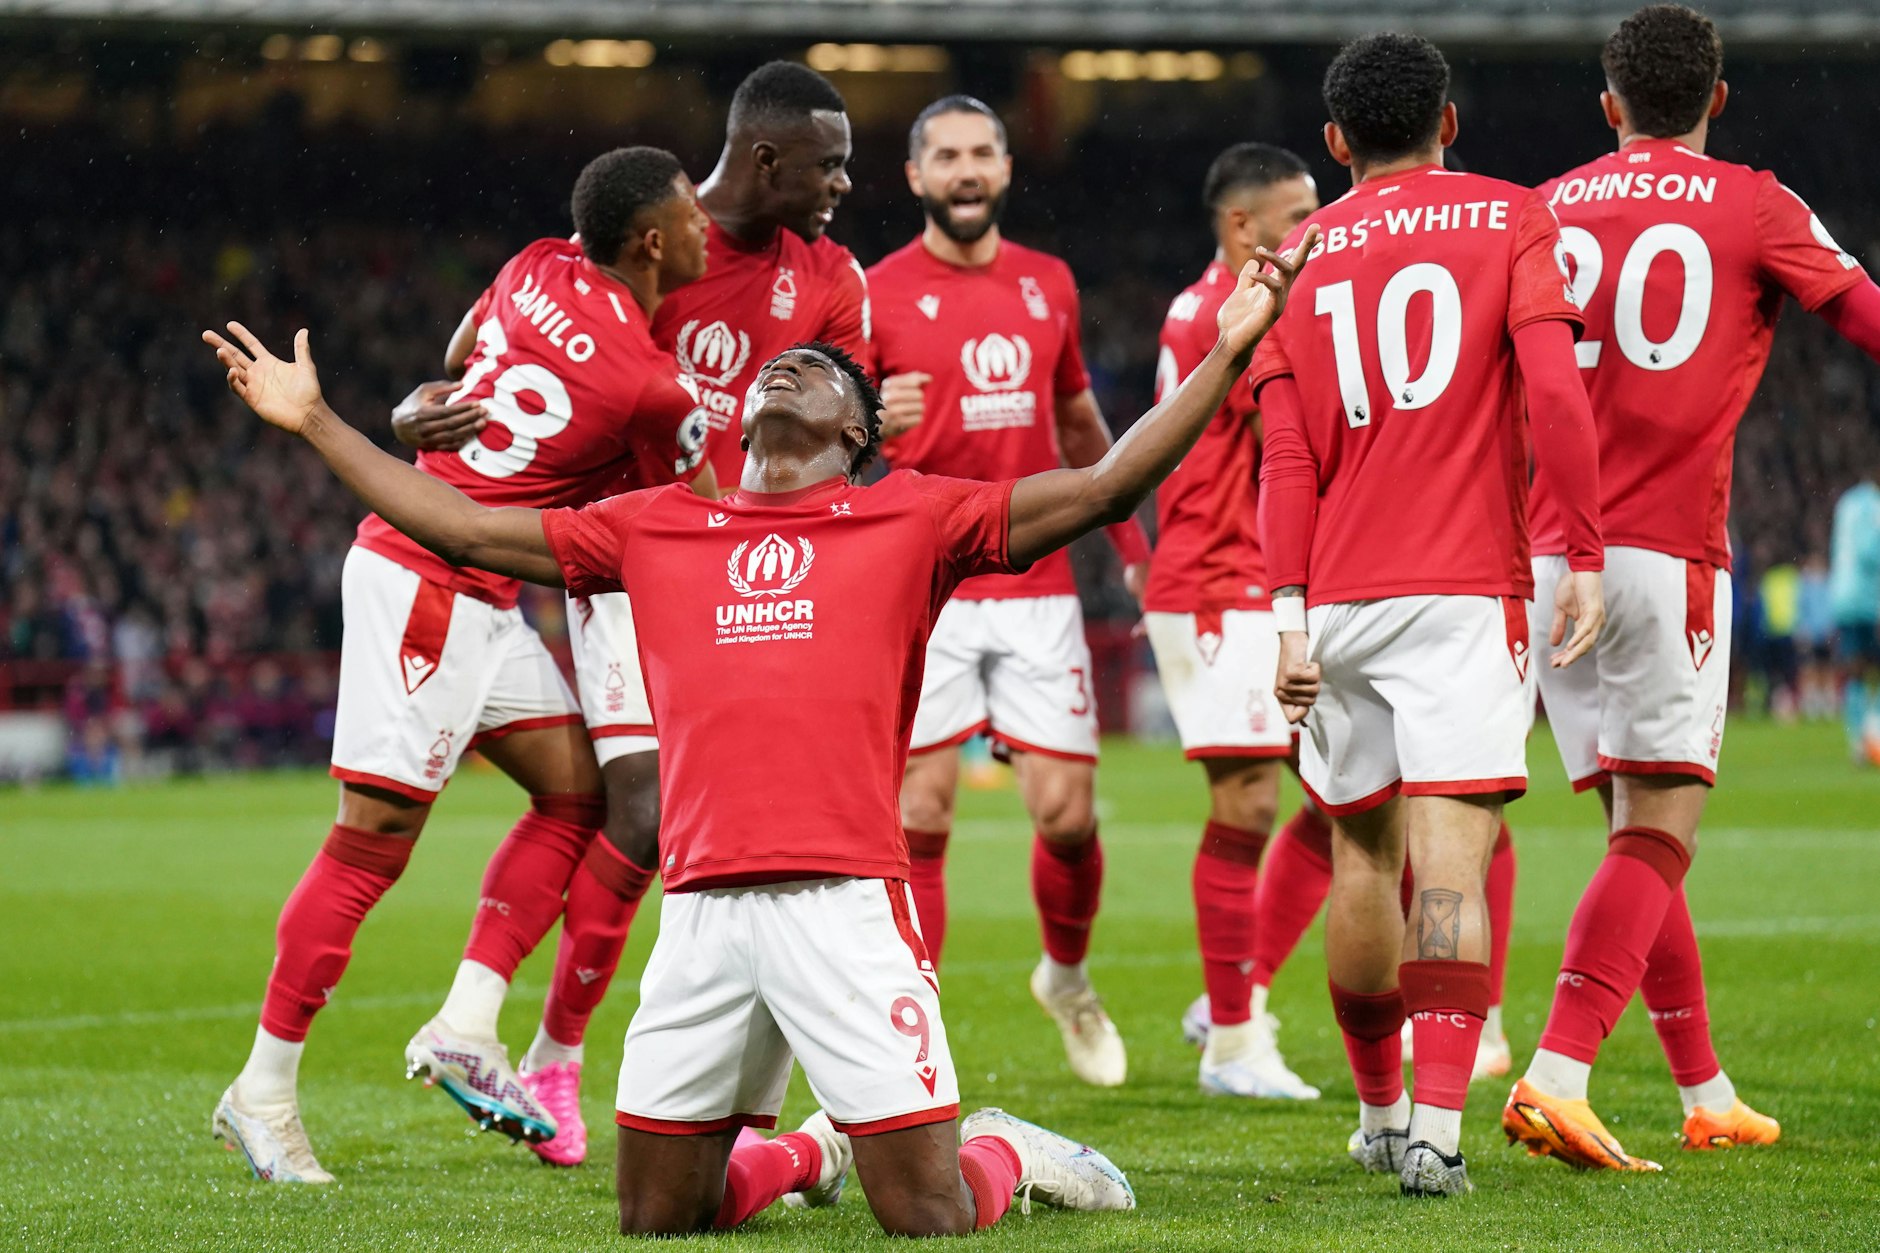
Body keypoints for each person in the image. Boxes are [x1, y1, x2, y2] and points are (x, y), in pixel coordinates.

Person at [202, 226, 1315, 1234]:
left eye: (823, 372)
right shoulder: (654, 522)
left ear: (855, 431)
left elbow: (1110, 482)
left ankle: (1003, 1146)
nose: (791, 369)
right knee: (659, 1214)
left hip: (843, 901)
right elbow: (464, 523)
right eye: (782, 364)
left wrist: (1225, 354)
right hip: (696, 914)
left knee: (925, 1212)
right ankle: (799, 1150)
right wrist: (313, 420)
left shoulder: (915, 513)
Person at [390, 60, 870, 1166]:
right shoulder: (645, 234)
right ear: (765, 158)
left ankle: (740, 1071)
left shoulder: (830, 277)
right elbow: (474, 355)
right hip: (627, 559)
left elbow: (847, 422)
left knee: (731, 816)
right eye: (829, 164)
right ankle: (552, 1055)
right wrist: (417, 406)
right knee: (644, 810)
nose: (843, 184)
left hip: (763, 567)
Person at [210, 146, 713, 1183]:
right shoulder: (654, 387)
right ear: (654, 240)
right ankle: (260, 1090)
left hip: (479, 589)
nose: (710, 229)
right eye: (693, 216)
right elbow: (685, 521)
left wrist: (412, 413)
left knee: (577, 798)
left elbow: (458, 355)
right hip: (424, 581)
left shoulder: (535, 265)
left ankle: (469, 1020)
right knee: (368, 846)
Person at [1507, 3, 1880, 1171]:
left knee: (1631, 828)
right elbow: (1865, 316)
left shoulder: (1542, 206)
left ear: (1606, 105)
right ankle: (1557, 1071)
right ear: (1717, 98)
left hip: (1541, 555)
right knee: (1658, 835)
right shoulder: (1752, 202)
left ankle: (1703, 1086)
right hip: (1667, 554)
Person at [1255, 33, 1605, 1196]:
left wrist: (1288, 614)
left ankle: (1375, 1110)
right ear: (1448, 123)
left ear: (1335, 142)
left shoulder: (1294, 254)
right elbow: (1552, 390)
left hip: (1338, 596)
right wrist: (1586, 551)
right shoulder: (1510, 217)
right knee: (1450, 851)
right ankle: (1438, 1137)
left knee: (1359, 855)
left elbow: (1287, 455)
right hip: (1461, 585)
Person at [866, 95, 1152, 1088]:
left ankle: (1065, 976)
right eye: (944, 154)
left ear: (1003, 167)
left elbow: (1078, 423)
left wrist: (1126, 542)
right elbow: (815, 437)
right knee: (920, 814)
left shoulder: (1048, 284)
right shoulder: (872, 295)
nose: (965, 169)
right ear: (913, 175)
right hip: (922, 580)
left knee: (1067, 815)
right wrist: (867, 423)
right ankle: (918, 1032)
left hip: (1034, 578)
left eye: (981, 151)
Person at [1142, 140, 1326, 1100]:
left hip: (1251, 578)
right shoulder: (1240, 308)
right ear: (1241, 227)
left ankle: (1235, 998)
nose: (1317, 228)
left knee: (1341, 801)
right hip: (1221, 581)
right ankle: (1234, 1044)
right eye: (1299, 216)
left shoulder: (1209, 301)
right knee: (1251, 802)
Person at [1830, 455, 1880, 761]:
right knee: (1867, 667)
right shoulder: (1871, 505)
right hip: (1867, 599)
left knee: (1855, 668)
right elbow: (1868, 551)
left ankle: (1859, 738)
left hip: (1843, 595)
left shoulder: (1846, 502)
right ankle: (1871, 732)